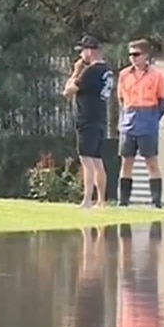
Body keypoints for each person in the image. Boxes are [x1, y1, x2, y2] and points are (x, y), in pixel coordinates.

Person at [116, 38, 164, 208]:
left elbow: (163, 101)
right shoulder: (124, 75)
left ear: (146, 55)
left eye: (137, 54)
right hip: (129, 120)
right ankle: (123, 201)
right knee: (126, 162)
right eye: (130, 54)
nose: (133, 58)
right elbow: (121, 98)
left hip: (147, 120)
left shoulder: (157, 76)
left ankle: (156, 201)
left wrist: (152, 118)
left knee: (151, 162)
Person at [63, 34, 114, 208]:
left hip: (87, 119)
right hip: (100, 118)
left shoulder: (90, 71)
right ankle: (101, 200)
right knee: (97, 160)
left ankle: (87, 200)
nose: (81, 56)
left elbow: (68, 91)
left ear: (89, 51)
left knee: (87, 160)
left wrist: (76, 71)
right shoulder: (107, 70)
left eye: (83, 51)